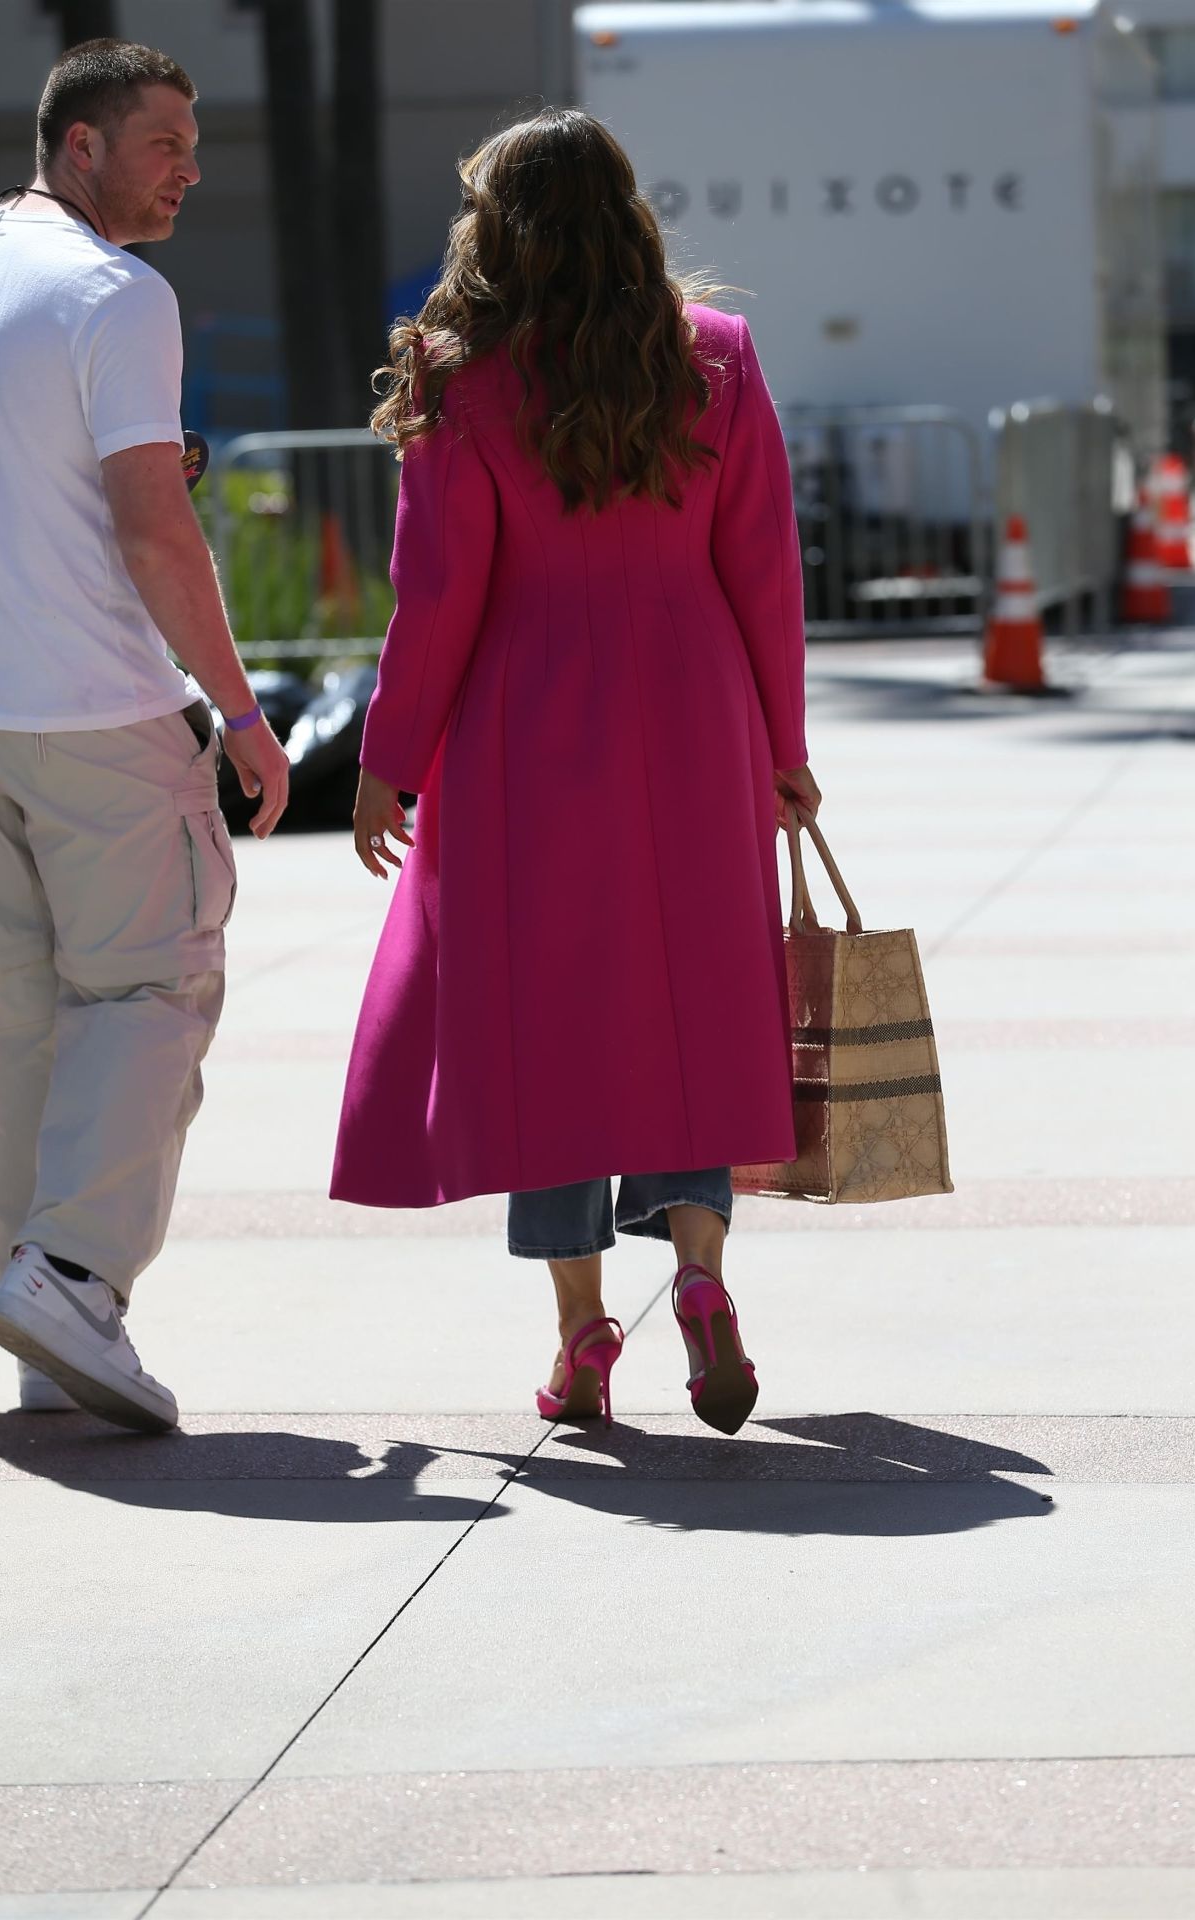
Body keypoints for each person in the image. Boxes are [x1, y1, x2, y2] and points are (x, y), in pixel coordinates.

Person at [331, 110, 819, 1437]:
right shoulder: (712, 354)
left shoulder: (462, 374)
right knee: (690, 1009)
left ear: (500, 228)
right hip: (696, 706)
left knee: (541, 1032)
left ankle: (585, 1334)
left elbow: (435, 596)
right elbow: (765, 571)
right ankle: (704, 1287)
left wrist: (387, 761)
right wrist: (783, 746)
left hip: (523, 720)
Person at [0, 39, 289, 1432]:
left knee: (7, 1027)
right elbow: (155, 527)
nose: (190, 171)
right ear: (80, 145)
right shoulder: (115, 294)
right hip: (94, 710)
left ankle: (41, 1319)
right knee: (152, 995)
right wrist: (240, 704)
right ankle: (76, 1282)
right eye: (164, 143)